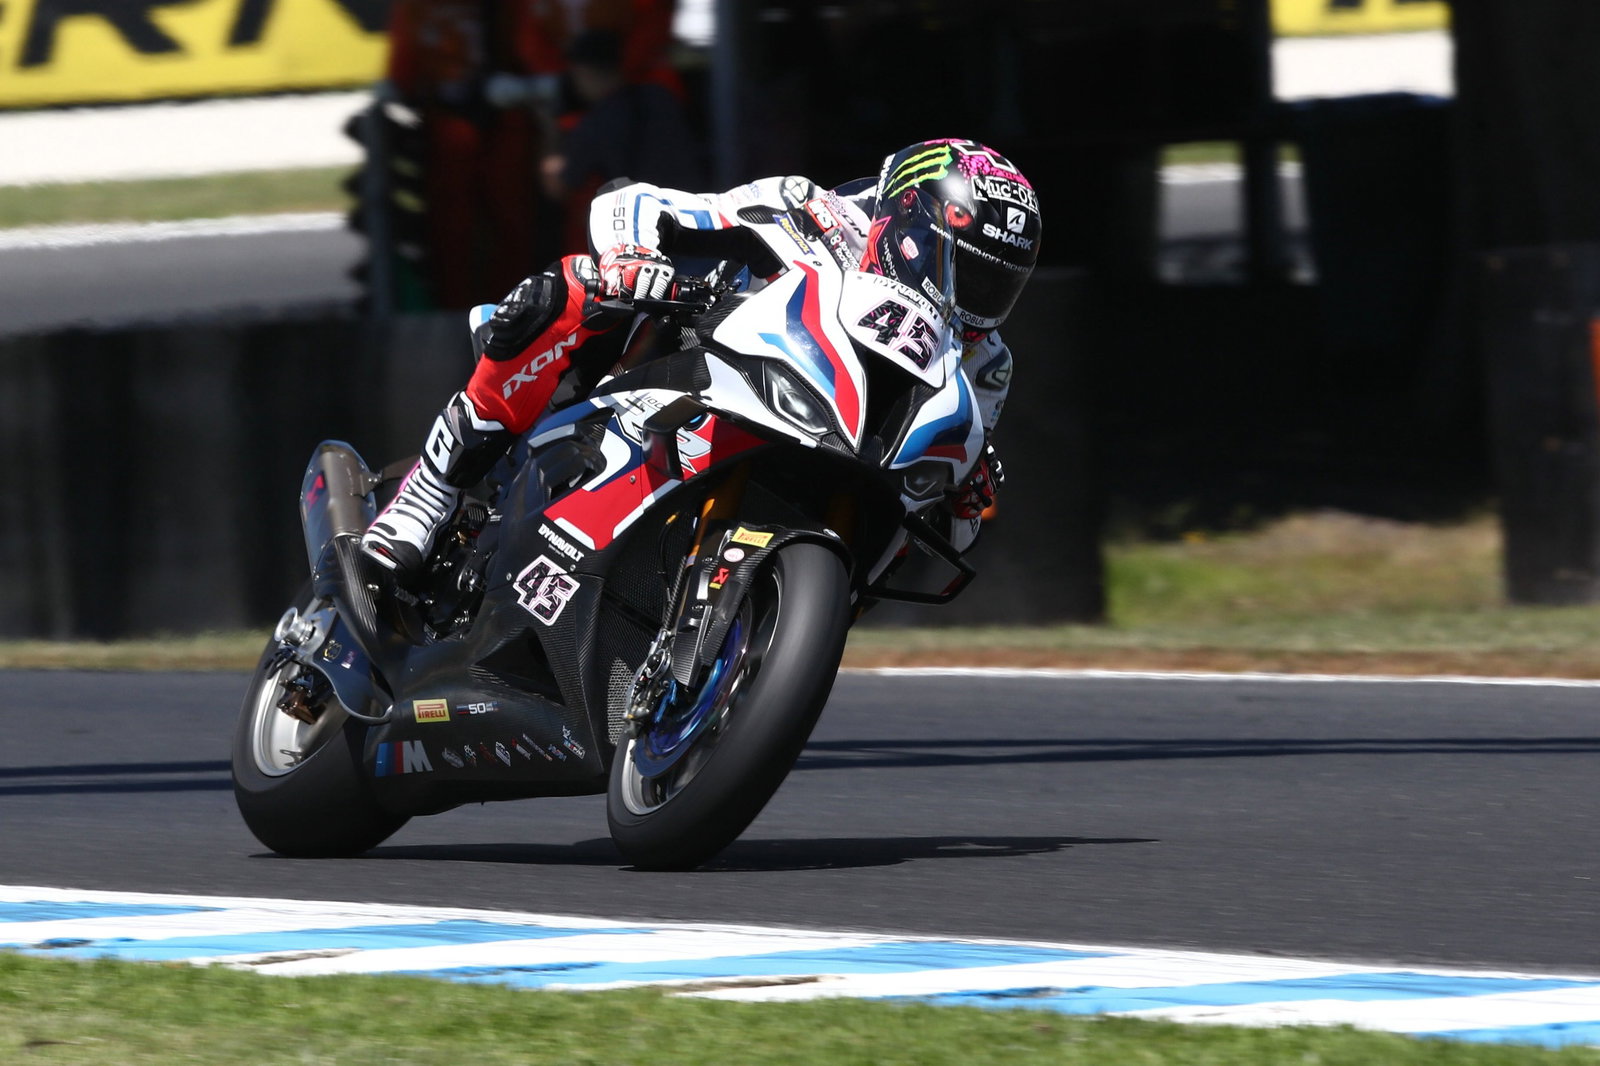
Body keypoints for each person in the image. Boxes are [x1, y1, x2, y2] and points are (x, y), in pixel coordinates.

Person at [362, 138, 1043, 580]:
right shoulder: (812, 211)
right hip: (686, 375)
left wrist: (966, 494)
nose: (978, 306)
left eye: (997, 288)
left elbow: (943, 508)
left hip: (828, 460)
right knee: (573, 288)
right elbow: (634, 202)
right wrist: (636, 261)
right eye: (969, 276)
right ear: (910, 224)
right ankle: (430, 492)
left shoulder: (984, 365)